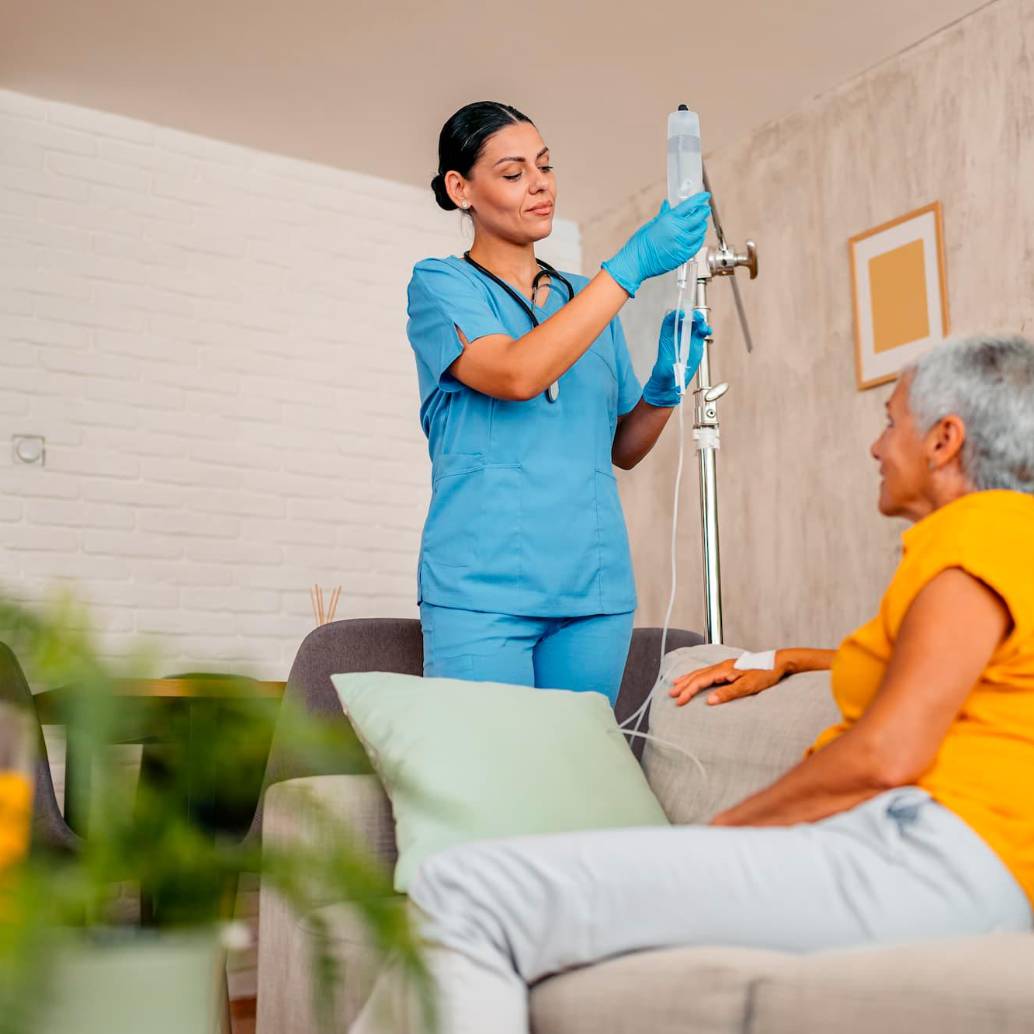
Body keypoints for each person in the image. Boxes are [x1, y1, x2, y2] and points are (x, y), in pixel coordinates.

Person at [352, 334, 1034, 1034]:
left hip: (925, 857)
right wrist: (793, 657)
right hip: (952, 863)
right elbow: (952, 672)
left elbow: (888, 753)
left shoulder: (979, 534)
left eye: (891, 421)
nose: (876, 446)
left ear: (946, 440)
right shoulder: (1008, 545)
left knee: (463, 888)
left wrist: (729, 828)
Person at [407, 101, 712, 704]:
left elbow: (621, 450)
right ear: (460, 188)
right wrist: (630, 266)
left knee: (578, 776)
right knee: (493, 781)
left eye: (544, 166)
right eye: (514, 172)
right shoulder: (441, 285)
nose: (540, 183)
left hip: (592, 589)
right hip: (482, 589)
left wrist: (663, 389)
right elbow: (517, 374)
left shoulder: (584, 298)